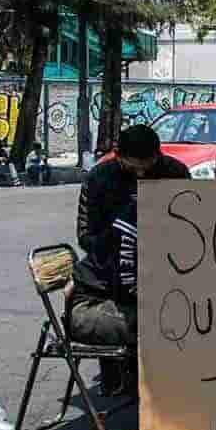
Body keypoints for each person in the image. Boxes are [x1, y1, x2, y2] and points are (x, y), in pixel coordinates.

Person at [72, 125, 189, 392]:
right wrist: (123, 235)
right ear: (117, 156)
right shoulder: (99, 178)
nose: (141, 175)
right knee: (160, 322)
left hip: (161, 275)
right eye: (133, 169)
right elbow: (86, 236)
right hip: (107, 290)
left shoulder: (176, 173)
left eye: (147, 168)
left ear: (158, 156)